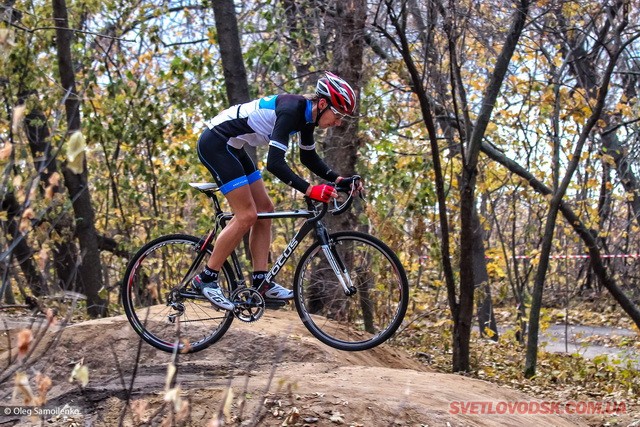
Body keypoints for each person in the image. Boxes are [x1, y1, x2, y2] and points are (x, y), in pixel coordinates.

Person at [193, 72, 362, 311]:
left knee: (265, 210)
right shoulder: (292, 110)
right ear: (323, 104)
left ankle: (261, 282)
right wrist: (310, 189)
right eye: (338, 114)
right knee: (247, 215)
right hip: (217, 143)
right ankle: (207, 278)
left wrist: (339, 179)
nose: (339, 122)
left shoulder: (307, 117)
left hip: (234, 145)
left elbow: (308, 157)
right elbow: (274, 163)